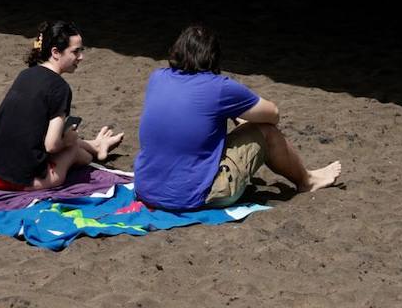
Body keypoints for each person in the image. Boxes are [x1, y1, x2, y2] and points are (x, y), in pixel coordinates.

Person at [134, 24, 341, 211]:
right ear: (213, 56)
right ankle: (307, 180)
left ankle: (306, 177)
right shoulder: (219, 87)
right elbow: (273, 114)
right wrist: (242, 116)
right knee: (266, 132)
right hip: (191, 196)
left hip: (147, 189)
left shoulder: (157, 77)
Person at [0, 19, 123, 192]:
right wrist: (68, 141)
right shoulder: (59, 88)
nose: (81, 57)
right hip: (19, 181)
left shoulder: (26, 74)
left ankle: (97, 146)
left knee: (69, 139)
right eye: (76, 52)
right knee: (75, 148)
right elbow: (52, 145)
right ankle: (97, 149)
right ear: (55, 52)